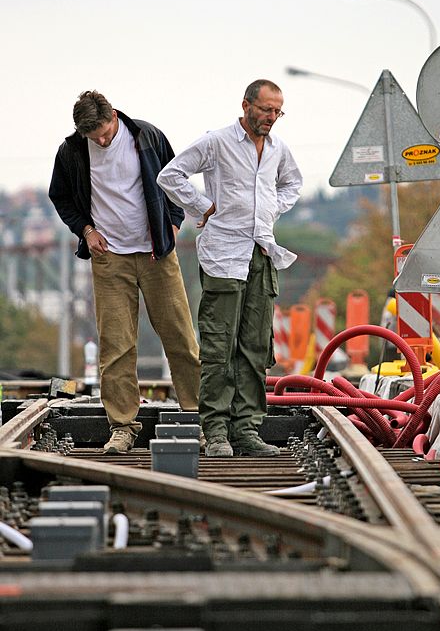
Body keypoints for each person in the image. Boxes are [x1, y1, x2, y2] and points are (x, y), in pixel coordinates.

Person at [49, 90, 200, 454]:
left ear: (114, 115)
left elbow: (175, 182)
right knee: (116, 346)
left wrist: (174, 225)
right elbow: (61, 196)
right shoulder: (72, 151)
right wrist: (86, 230)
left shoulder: (147, 137)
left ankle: (199, 417)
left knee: (180, 337)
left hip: (156, 255)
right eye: (93, 137)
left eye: (104, 132)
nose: (101, 140)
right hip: (109, 258)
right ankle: (122, 426)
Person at [157, 79, 302, 457]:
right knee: (220, 345)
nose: (271, 117)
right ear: (246, 105)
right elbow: (169, 175)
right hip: (223, 254)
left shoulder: (277, 150)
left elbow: (293, 184)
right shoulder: (217, 142)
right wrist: (202, 206)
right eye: (266, 109)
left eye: (277, 111)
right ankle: (217, 432)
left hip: (262, 252)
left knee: (255, 345)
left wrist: (271, 208)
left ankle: (247, 430)